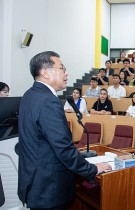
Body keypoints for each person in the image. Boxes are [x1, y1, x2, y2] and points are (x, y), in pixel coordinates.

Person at [18, 51, 111, 210]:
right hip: (49, 187)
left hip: (34, 181)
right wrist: (93, 169)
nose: (66, 72)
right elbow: (63, 148)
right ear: (45, 73)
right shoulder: (48, 101)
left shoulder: (29, 95)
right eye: (62, 68)